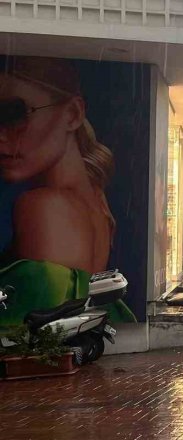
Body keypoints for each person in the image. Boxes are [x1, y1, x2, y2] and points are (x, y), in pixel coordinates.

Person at [0, 56, 134, 327]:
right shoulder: (96, 200)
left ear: (72, 114)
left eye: (14, 113)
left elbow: (33, 334)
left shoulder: (44, 207)